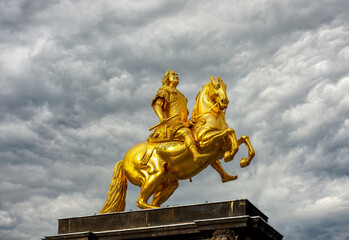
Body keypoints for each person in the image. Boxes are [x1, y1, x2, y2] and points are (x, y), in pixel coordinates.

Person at [148, 70, 208, 163]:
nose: (176, 76)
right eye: (173, 74)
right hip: (171, 125)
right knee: (185, 132)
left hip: (183, 123)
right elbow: (157, 105)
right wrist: (162, 118)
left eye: (177, 74)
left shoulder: (181, 94)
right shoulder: (164, 90)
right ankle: (195, 154)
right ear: (167, 78)